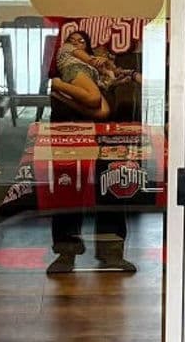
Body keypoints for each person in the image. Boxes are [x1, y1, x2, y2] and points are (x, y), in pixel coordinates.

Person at [46, 28, 137, 276]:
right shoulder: (68, 65)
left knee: (112, 182)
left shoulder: (102, 71)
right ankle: (65, 252)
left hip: (105, 131)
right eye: (73, 41)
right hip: (70, 129)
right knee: (67, 185)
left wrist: (117, 72)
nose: (78, 44)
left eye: (82, 42)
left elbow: (121, 82)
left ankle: (112, 253)